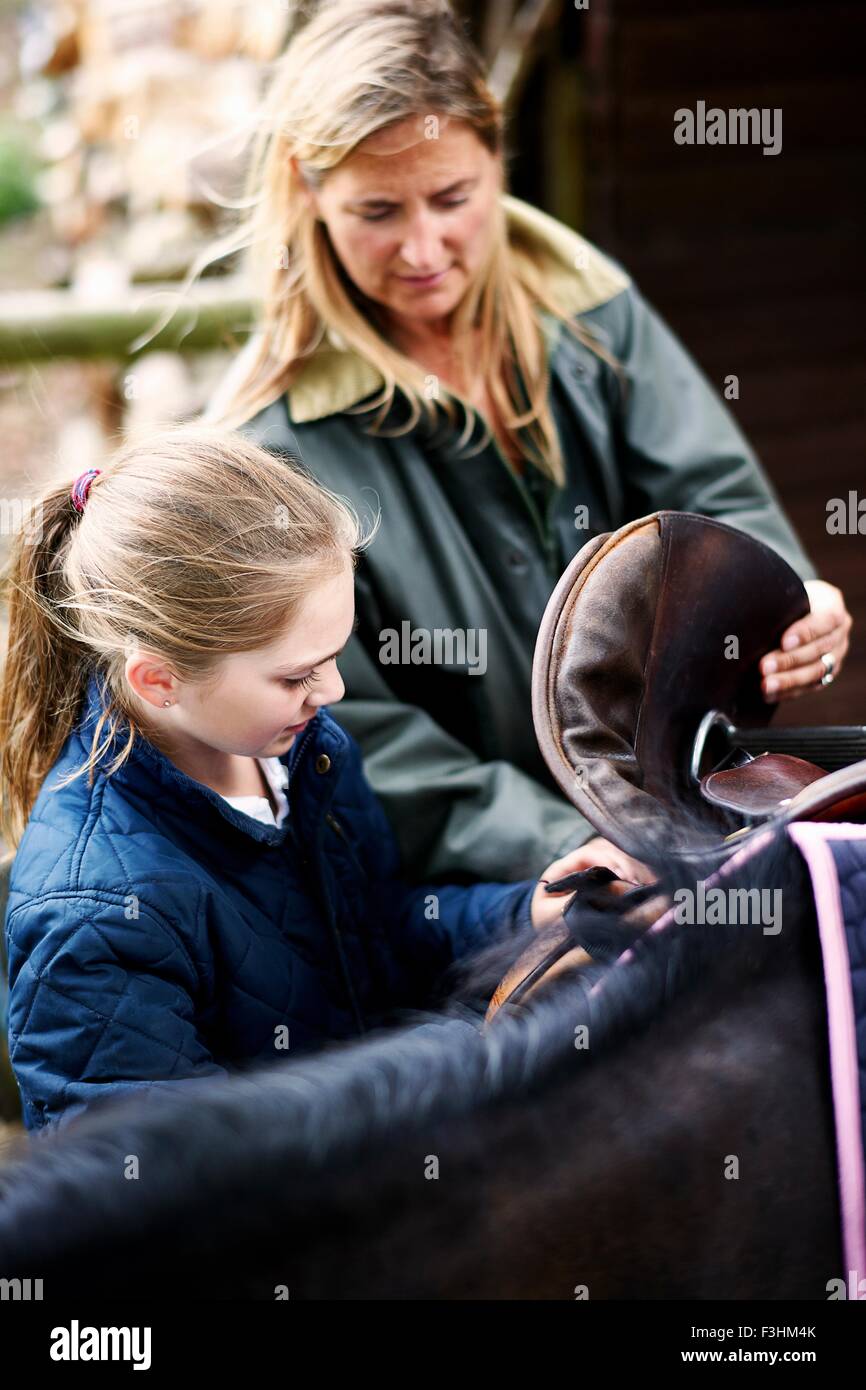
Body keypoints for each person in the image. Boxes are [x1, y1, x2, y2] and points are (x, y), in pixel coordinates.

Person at [205, 0, 852, 885]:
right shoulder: (273, 448)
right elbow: (361, 739)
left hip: (690, 815)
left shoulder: (590, 314)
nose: (423, 247)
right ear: (307, 189)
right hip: (480, 901)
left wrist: (787, 599)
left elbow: (719, 501)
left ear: (496, 162)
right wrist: (570, 846)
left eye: (453, 198)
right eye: (378, 211)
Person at [0, 426, 646, 1133]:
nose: (333, 690)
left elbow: (376, 933)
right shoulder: (94, 915)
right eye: (297, 674)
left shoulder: (304, 755)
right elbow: (164, 1190)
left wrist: (529, 910)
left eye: (335, 656)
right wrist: (465, 1054)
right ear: (159, 680)